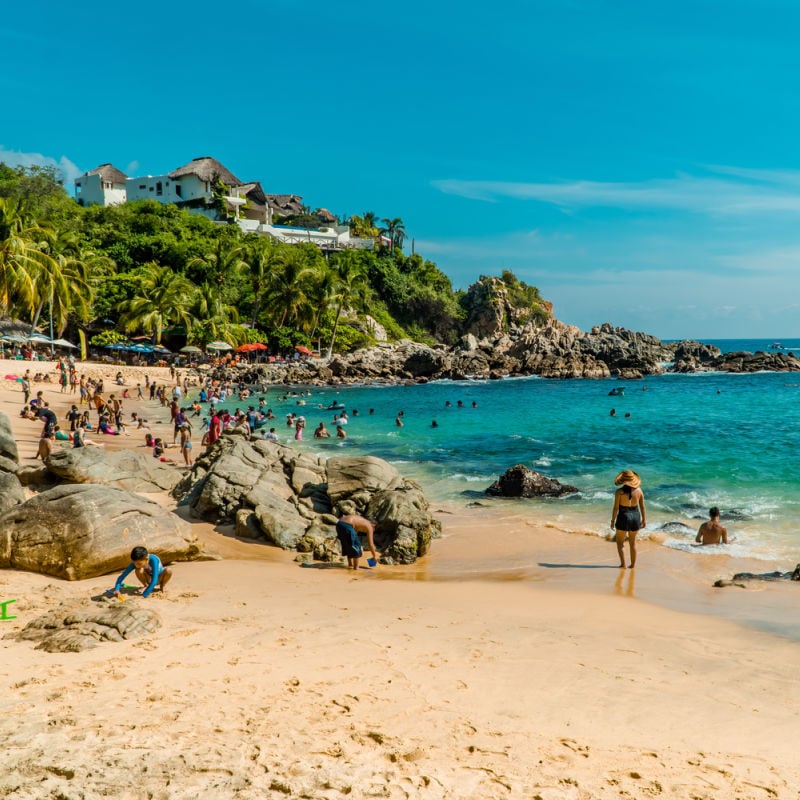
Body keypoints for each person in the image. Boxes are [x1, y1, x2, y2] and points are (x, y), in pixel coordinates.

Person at [610, 469, 646, 569]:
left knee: (620, 542)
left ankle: (623, 564)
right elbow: (642, 506)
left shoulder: (619, 492)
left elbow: (616, 508)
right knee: (633, 543)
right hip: (635, 516)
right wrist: (644, 519)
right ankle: (633, 565)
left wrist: (612, 521)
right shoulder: (639, 490)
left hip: (623, 516)